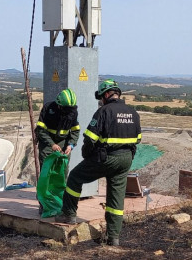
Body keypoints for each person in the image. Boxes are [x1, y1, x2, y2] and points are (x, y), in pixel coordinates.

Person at [55, 79, 141, 247]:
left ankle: (68, 214)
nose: (101, 100)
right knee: (116, 198)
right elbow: (137, 139)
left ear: (107, 94)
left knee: (75, 177)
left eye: (101, 97)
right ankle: (113, 237)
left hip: (106, 158)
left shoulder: (104, 111)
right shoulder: (133, 113)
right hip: (126, 160)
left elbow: (90, 138)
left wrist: (87, 155)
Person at [36, 88, 80, 167]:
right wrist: (52, 144)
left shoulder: (73, 112)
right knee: (46, 169)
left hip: (63, 142)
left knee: (62, 170)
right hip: (47, 142)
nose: (68, 111)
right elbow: (41, 130)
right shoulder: (48, 109)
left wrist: (70, 145)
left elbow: (75, 131)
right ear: (59, 105)